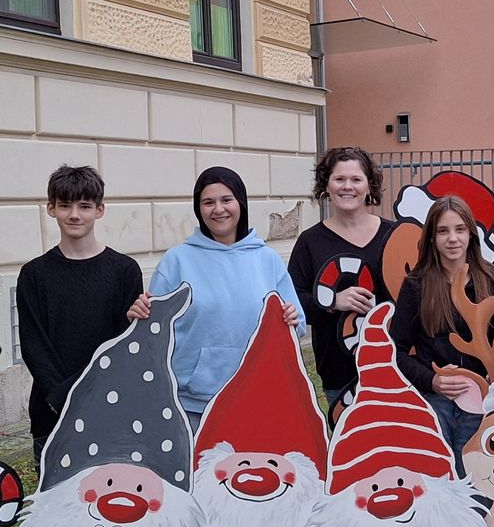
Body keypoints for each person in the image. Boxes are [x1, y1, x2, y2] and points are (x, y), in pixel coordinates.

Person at [127, 167, 304, 430]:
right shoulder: (176, 261)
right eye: (208, 202)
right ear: (198, 209)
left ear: (240, 203)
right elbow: (152, 332)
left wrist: (290, 320)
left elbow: (297, 325)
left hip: (256, 399)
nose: (218, 209)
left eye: (226, 200)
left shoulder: (266, 259)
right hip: (192, 405)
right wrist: (138, 317)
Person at [17, 165, 143, 465]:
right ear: (51, 209)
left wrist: (90, 396)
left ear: (99, 210)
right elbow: (34, 346)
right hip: (51, 412)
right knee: (51, 508)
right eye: (65, 205)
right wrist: (63, 399)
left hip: (110, 410)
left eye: (84, 206)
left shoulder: (125, 271)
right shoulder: (33, 274)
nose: (75, 214)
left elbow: (122, 345)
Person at [390, 196, 494, 476]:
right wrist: (431, 379)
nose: (452, 238)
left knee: (476, 474)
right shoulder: (416, 285)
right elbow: (395, 351)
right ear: (432, 238)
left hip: (480, 398)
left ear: (471, 234)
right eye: (443, 231)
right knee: (441, 474)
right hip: (435, 399)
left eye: (460, 229)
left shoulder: (490, 280)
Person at [288, 147, 395, 406]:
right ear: (326, 185)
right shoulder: (310, 242)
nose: (348, 187)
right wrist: (332, 301)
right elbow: (292, 302)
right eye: (339, 179)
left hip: (394, 366)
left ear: (370, 186)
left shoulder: (394, 236)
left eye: (356, 179)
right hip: (338, 374)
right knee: (350, 444)